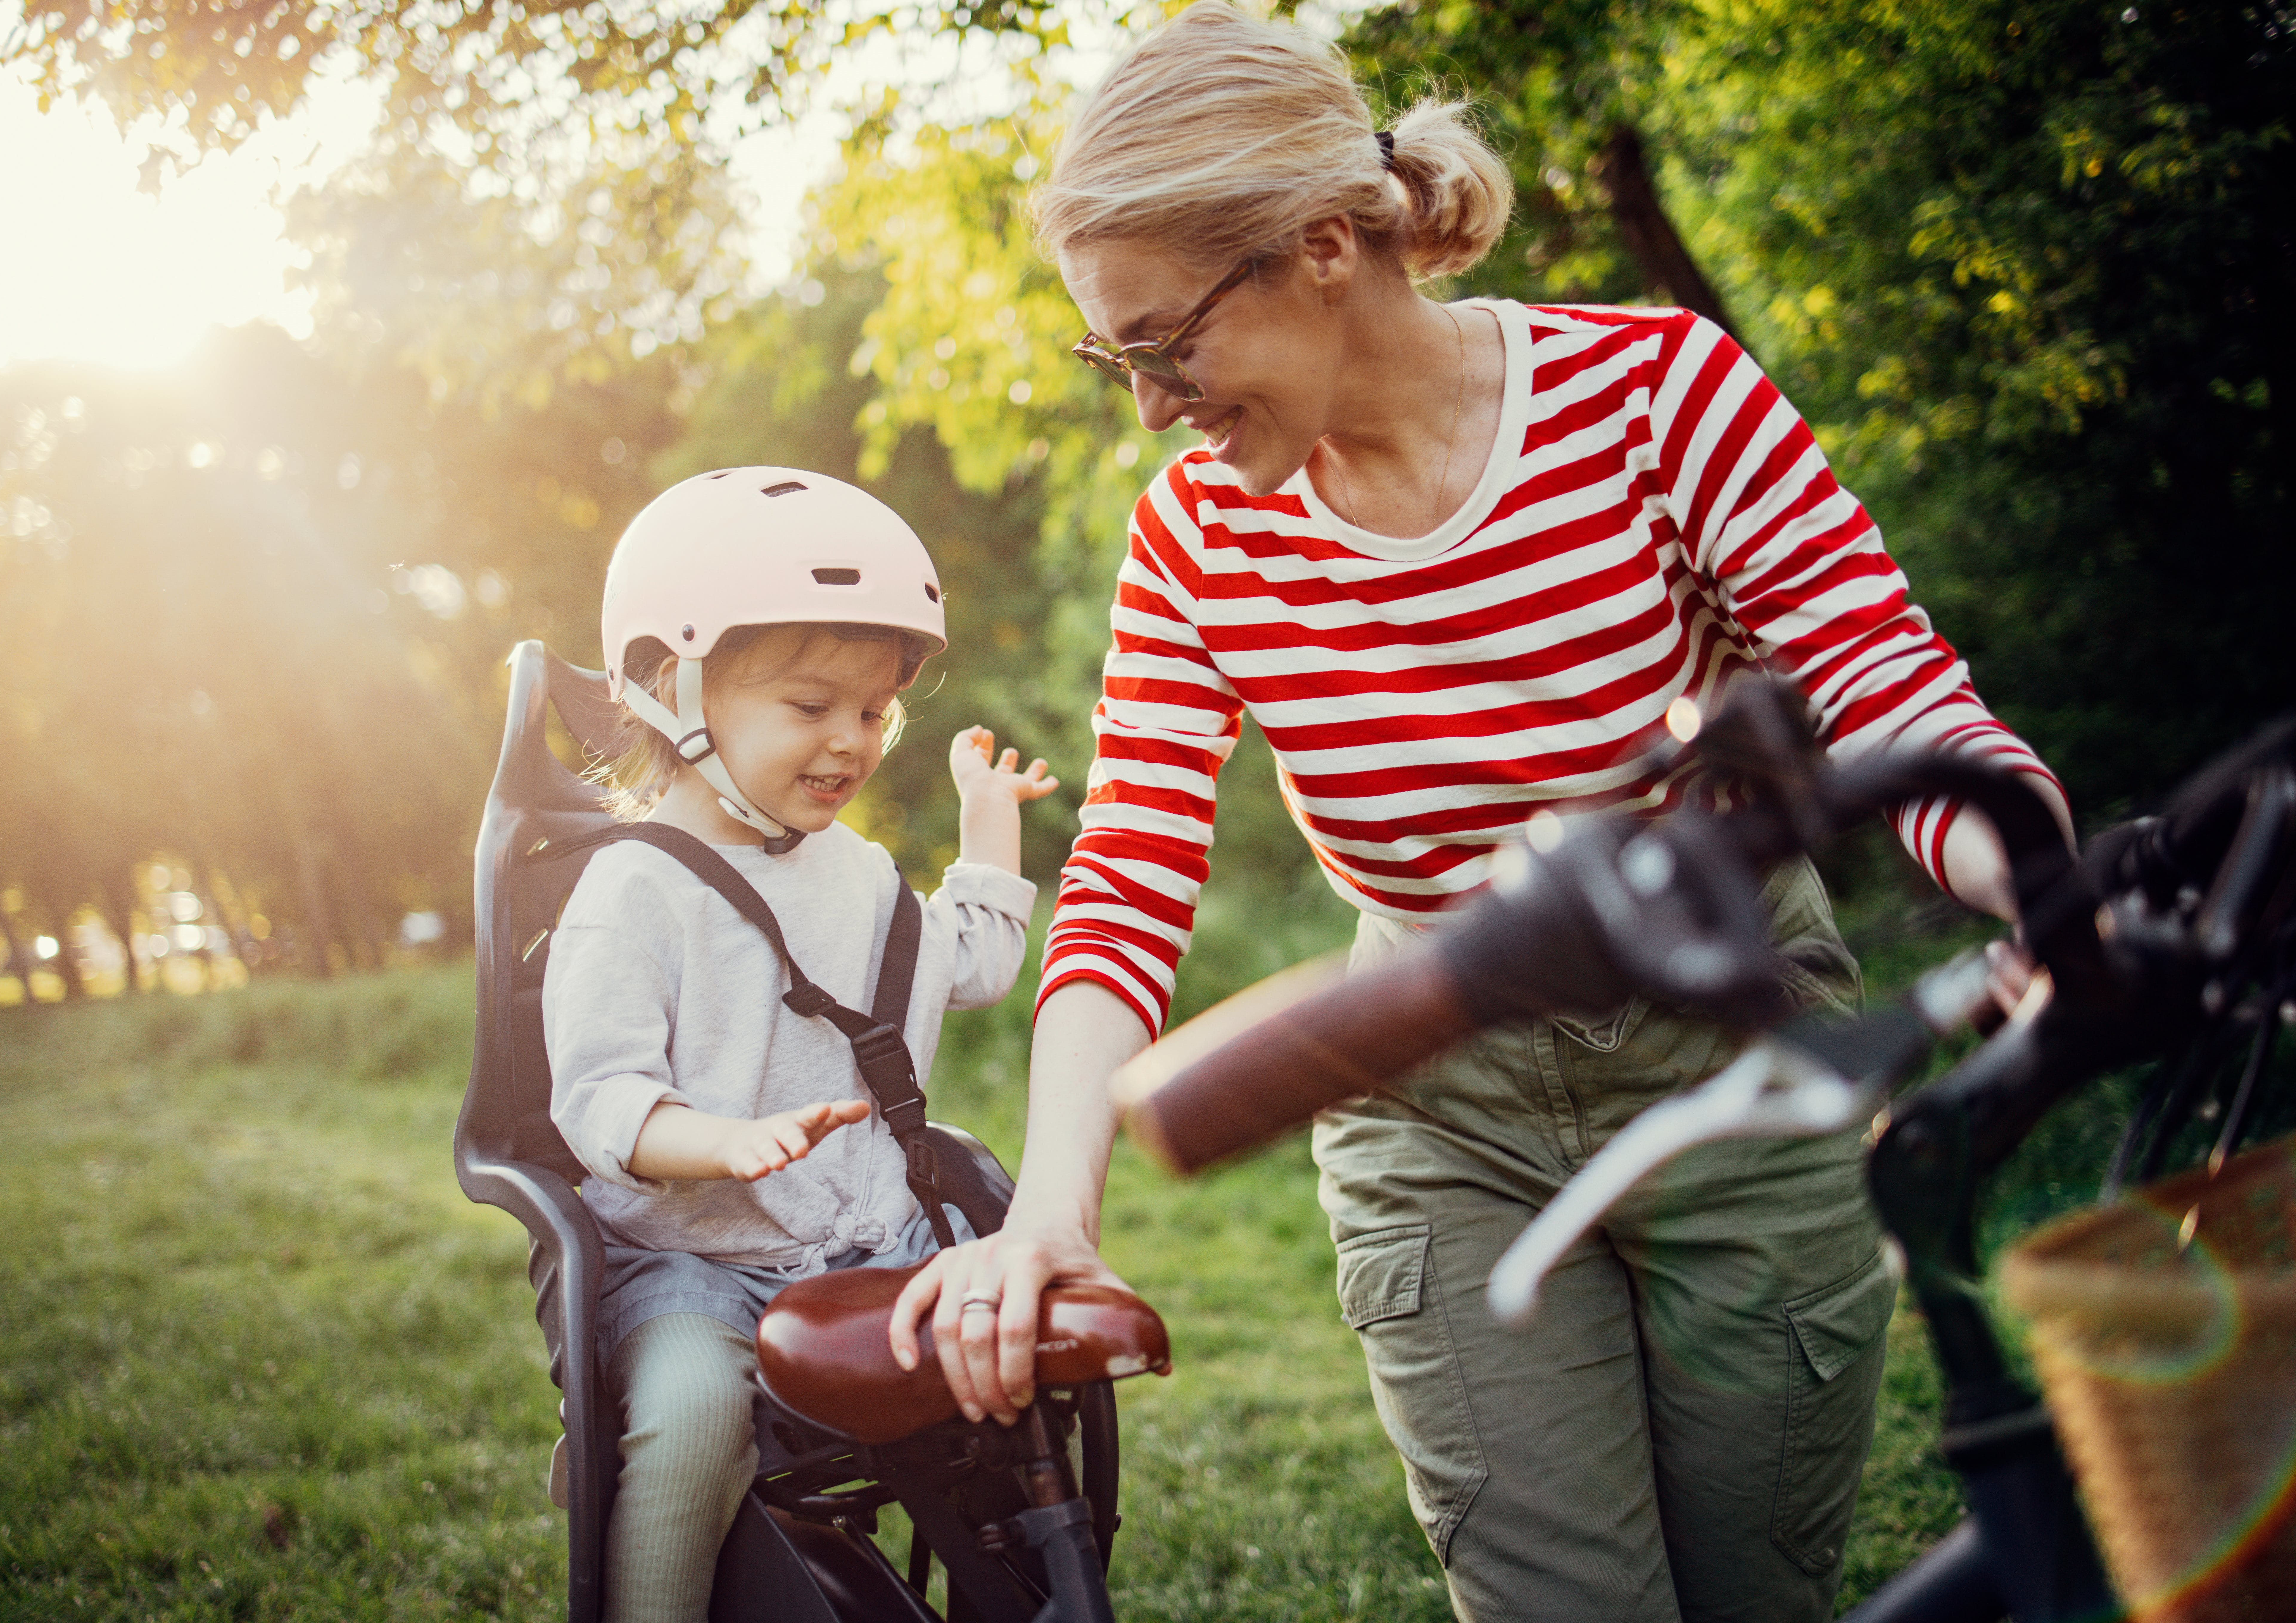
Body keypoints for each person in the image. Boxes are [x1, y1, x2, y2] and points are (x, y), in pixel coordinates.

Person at [885, 7, 2074, 1620]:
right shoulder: (1198, 545)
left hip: (1733, 1056)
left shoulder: (1656, 392)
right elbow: (1130, 868)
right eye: (1119, 360)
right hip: (1435, 1105)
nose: (1153, 405)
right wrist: (1050, 1213)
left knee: (1762, 1597)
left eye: (1165, 343)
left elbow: (1885, 688)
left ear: (1320, 244)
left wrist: (2045, 890)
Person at [543, 467, 1057, 1623]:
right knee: (691, 1418)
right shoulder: (633, 890)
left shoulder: (860, 874)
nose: (851, 742)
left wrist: (988, 820)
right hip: (692, 1259)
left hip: (859, 1240)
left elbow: (967, 964)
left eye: (873, 711)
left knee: (1011, 1358)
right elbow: (598, 1099)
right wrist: (720, 1142)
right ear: (674, 691)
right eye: (810, 705)